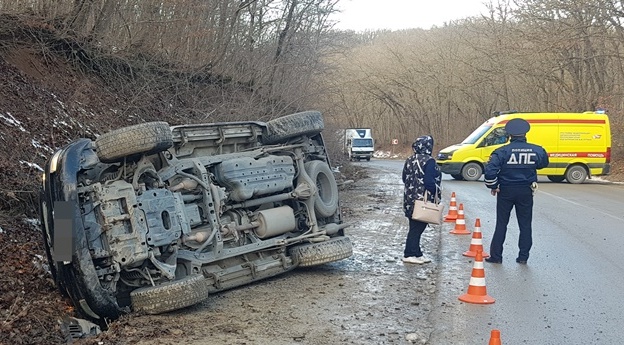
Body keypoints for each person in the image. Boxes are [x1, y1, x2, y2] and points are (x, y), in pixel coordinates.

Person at [483, 118, 549, 264]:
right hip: (526, 191)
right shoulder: (537, 150)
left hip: (505, 191)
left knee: (501, 223)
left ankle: (496, 256)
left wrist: (493, 186)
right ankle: (523, 257)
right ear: (525, 133)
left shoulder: (501, 151)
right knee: (525, 224)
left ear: (509, 135)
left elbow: (490, 171)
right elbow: (543, 164)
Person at [401, 135, 442, 264]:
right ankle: (409, 254)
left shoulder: (410, 159)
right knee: (417, 228)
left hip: (409, 198)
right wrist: (436, 192)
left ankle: (417, 253)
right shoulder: (429, 161)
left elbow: (404, 177)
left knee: (414, 225)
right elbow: (429, 181)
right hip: (422, 200)